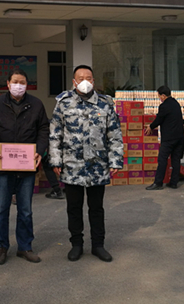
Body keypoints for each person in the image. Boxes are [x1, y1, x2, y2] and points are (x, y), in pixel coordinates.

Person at [49, 65, 123, 263]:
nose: (84, 81)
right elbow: (55, 134)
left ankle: (98, 245)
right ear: (74, 82)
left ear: (93, 80)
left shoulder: (105, 104)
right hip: (71, 166)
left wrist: (115, 160)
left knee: (96, 208)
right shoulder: (63, 103)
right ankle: (76, 244)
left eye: (88, 78)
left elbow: (114, 134)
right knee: (74, 208)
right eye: (80, 78)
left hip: (97, 166)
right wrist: (55, 160)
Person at [0, 69, 49, 265]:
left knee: (25, 210)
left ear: (27, 85)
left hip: (27, 165)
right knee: (1, 209)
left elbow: (43, 129)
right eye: (15, 82)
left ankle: (25, 247)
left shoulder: (36, 104)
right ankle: (1, 247)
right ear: (8, 83)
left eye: (22, 82)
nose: (18, 85)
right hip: (3, 164)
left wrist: (40, 150)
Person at [144, 85, 184, 190]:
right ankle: (174, 183)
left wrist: (150, 126)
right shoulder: (176, 103)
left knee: (162, 159)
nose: (159, 98)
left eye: (159, 96)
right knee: (176, 160)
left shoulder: (164, 106)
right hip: (179, 137)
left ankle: (158, 183)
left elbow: (159, 119)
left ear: (163, 95)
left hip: (169, 138)